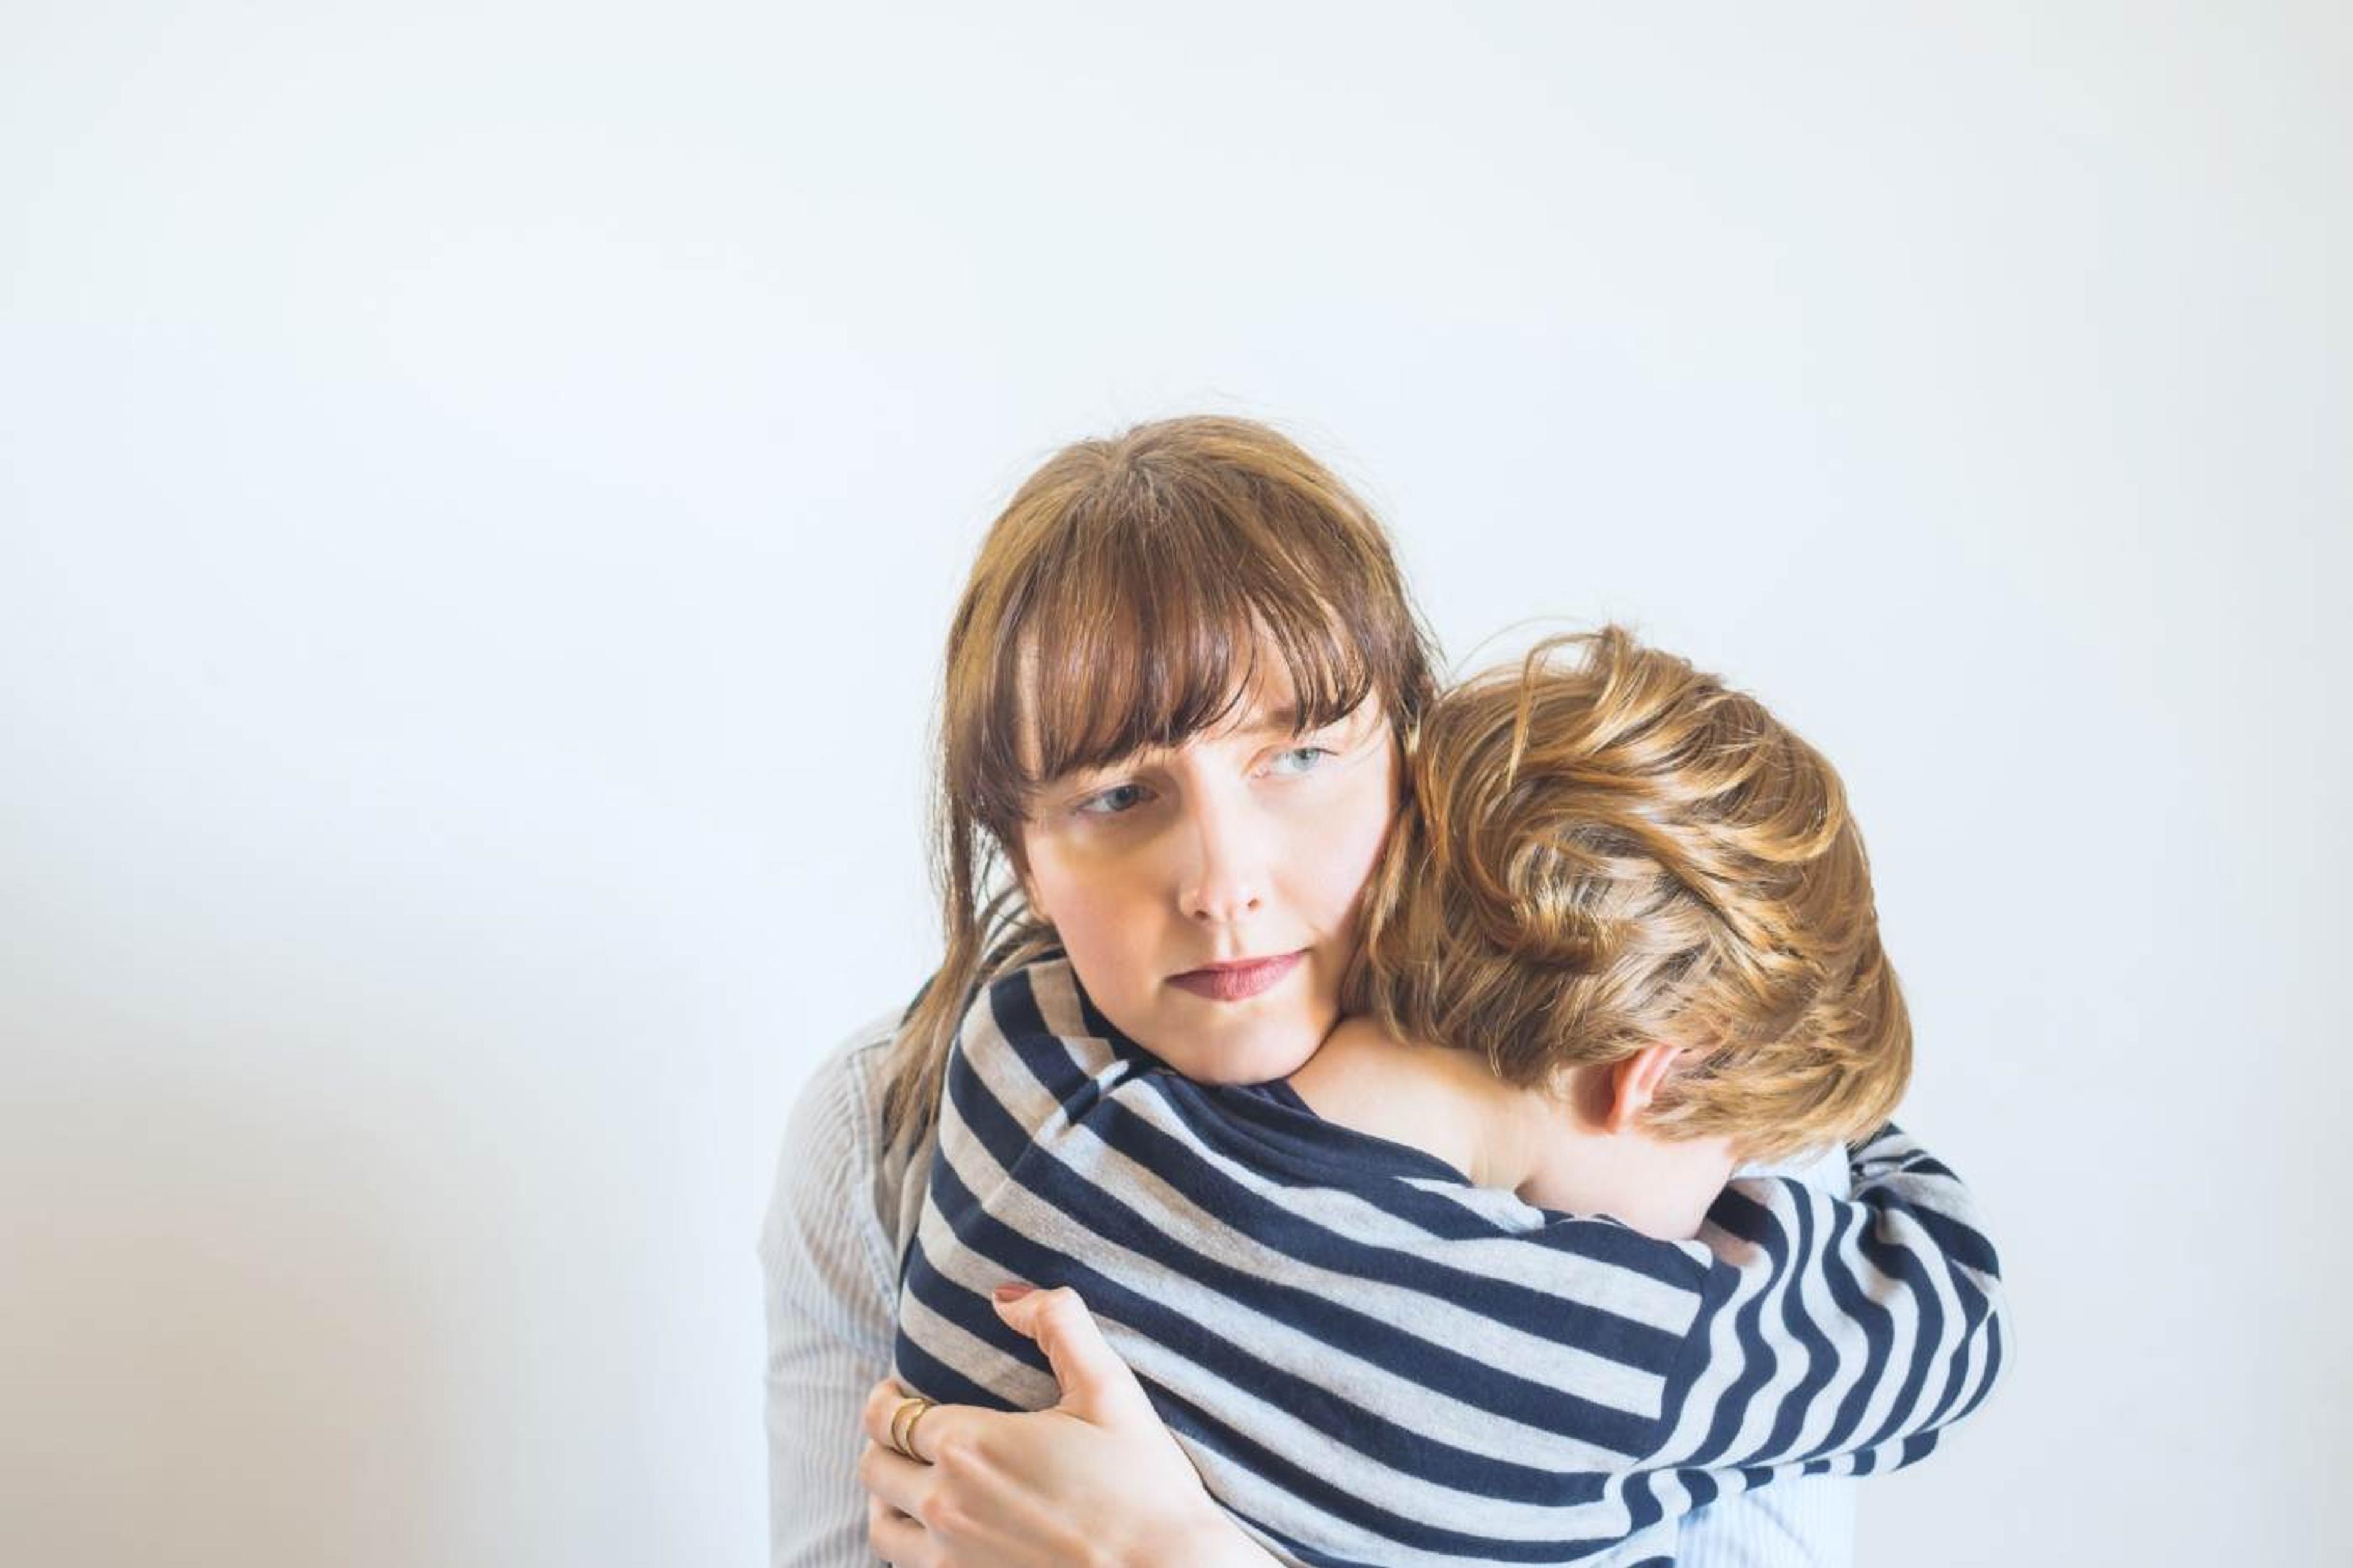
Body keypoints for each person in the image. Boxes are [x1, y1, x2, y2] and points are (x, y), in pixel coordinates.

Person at [763, 417, 1865, 1566]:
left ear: (1411, 750)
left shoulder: (1678, 1110)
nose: (1223, 885)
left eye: (1298, 759)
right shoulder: (880, 1123)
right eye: (1120, 797)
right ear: (1025, 855)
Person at [877, 627, 2005, 1564]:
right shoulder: (1613, 1348)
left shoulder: (1025, 1063)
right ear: (1649, 1075)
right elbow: (1944, 1317)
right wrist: (1828, 1098)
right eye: (1734, 1158)